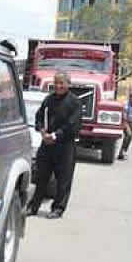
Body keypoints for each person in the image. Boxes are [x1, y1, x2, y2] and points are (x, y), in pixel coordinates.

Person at [26, 71, 81, 219]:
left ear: (68, 84)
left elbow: (72, 125)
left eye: (61, 83)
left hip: (65, 146)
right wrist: (42, 132)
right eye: (56, 83)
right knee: (41, 176)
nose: (58, 86)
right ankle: (33, 206)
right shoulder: (48, 100)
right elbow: (38, 117)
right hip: (47, 144)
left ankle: (58, 208)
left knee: (63, 179)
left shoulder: (74, 102)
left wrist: (55, 135)